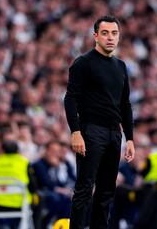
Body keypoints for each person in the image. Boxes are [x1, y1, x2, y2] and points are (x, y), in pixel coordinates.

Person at [64, 15, 135, 229]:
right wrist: (75, 132)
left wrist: (130, 138)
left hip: (115, 134)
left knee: (106, 191)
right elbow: (70, 98)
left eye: (114, 33)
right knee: (85, 188)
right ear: (96, 36)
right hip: (91, 131)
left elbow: (126, 105)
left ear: (119, 36)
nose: (110, 37)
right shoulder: (83, 63)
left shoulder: (121, 66)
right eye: (105, 33)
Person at [0, 140, 36, 229]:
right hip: (19, 205)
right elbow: (33, 186)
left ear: (2, 150)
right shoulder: (25, 163)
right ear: (18, 151)